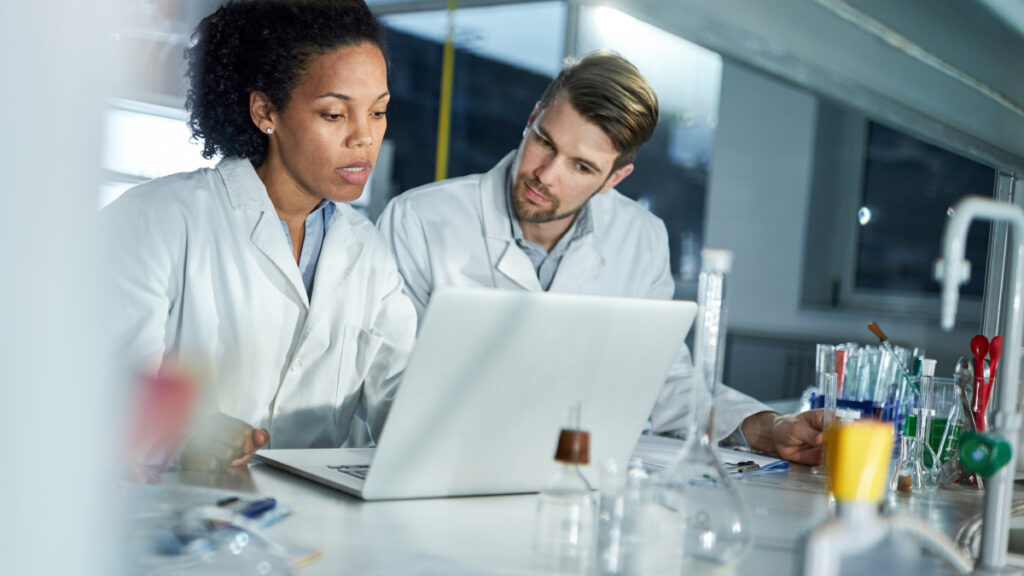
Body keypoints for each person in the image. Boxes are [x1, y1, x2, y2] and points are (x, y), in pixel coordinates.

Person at [377, 51, 822, 465]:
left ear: (614, 178)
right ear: (531, 119)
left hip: (575, 479)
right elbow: (389, 384)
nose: (545, 175)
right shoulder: (420, 220)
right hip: (446, 465)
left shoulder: (641, 237)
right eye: (544, 142)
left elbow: (665, 380)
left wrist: (768, 428)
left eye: (581, 167)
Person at [105, 0, 416, 472]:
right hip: (167, 517)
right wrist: (187, 434)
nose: (364, 138)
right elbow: (100, 391)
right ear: (265, 111)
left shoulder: (370, 254)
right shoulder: (158, 219)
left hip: (307, 528)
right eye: (335, 114)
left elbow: (404, 402)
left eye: (378, 112)